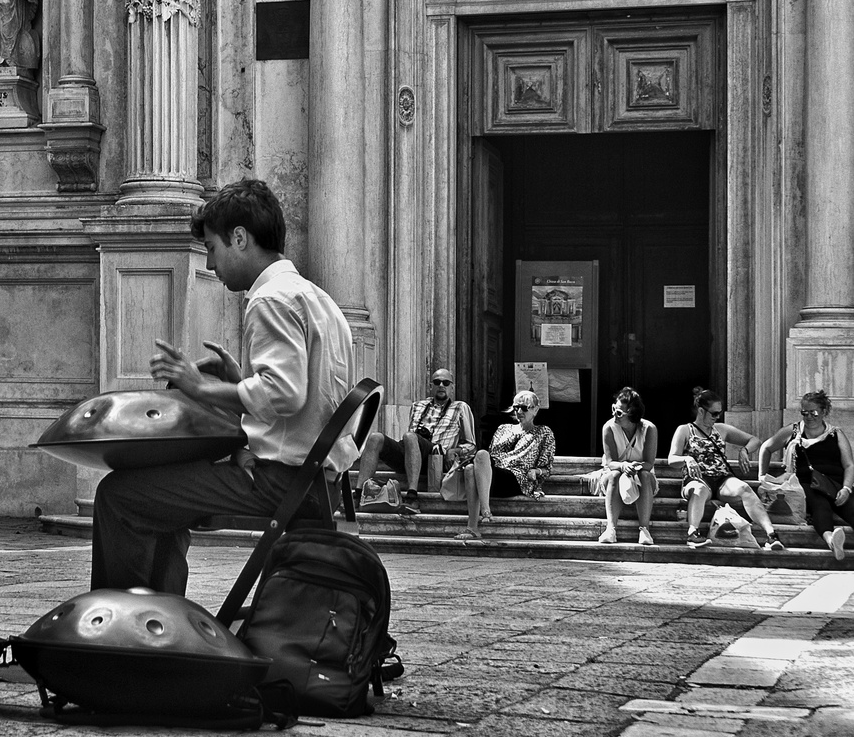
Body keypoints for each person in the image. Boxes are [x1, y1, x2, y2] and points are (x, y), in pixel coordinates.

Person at [93, 179, 355, 596]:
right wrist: (237, 378)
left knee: (120, 495)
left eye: (212, 249)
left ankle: (120, 630)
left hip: (283, 484)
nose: (211, 265)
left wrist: (197, 387)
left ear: (239, 238)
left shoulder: (269, 299)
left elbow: (285, 395)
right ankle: (161, 619)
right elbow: (303, 395)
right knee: (159, 496)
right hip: (319, 483)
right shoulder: (315, 297)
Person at [670, 387, 784, 551]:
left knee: (744, 488)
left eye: (719, 414)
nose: (717, 417)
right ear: (701, 411)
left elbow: (754, 440)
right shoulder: (685, 430)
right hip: (697, 478)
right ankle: (693, 532)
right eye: (714, 414)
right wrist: (687, 459)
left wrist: (744, 450)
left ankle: (771, 535)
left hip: (722, 479)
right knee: (699, 489)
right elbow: (672, 459)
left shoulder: (721, 429)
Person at [355, 367, 474, 508]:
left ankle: (412, 495)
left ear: (452, 388)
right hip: (413, 450)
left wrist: (455, 451)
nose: (441, 385)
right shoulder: (417, 405)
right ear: (431, 386)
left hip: (436, 456)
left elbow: (471, 445)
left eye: (446, 383)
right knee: (375, 438)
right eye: (437, 382)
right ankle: (358, 493)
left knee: (410, 436)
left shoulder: (460, 407)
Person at [758, 390, 853, 560]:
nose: (808, 416)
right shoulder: (793, 431)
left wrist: (846, 488)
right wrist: (762, 476)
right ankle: (831, 541)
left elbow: (849, 465)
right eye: (804, 412)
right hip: (805, 484)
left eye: (813, 412)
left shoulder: (836, 433)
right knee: (820, 504)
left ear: (824, 412)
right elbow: (766, 447)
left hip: (834, 484)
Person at [465, 390, 556, 539]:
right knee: (472, 466)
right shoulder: (503, 428)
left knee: (479, 458)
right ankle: (473, 526)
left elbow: (547, 468)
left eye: (524, 408)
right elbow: (491, 456)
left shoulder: (544, 432)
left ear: (535, 410)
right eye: (516, 407)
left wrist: (537, 472)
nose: (519, 411)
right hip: (495, 473)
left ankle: (484, 512)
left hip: (517, 477)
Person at [596, 387, 658, 546]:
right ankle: (611, 528)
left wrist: (634, 468)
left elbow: (649, 463)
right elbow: (610, 462)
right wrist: (623, 466)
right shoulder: (608, 428)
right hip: (614, 475)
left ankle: (644, 530)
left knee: (644, 475)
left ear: (632, 414)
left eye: (618, 413)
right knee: (614, 475)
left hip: (641, 475)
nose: (613, 416)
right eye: (613, 410)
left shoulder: (649, 429)